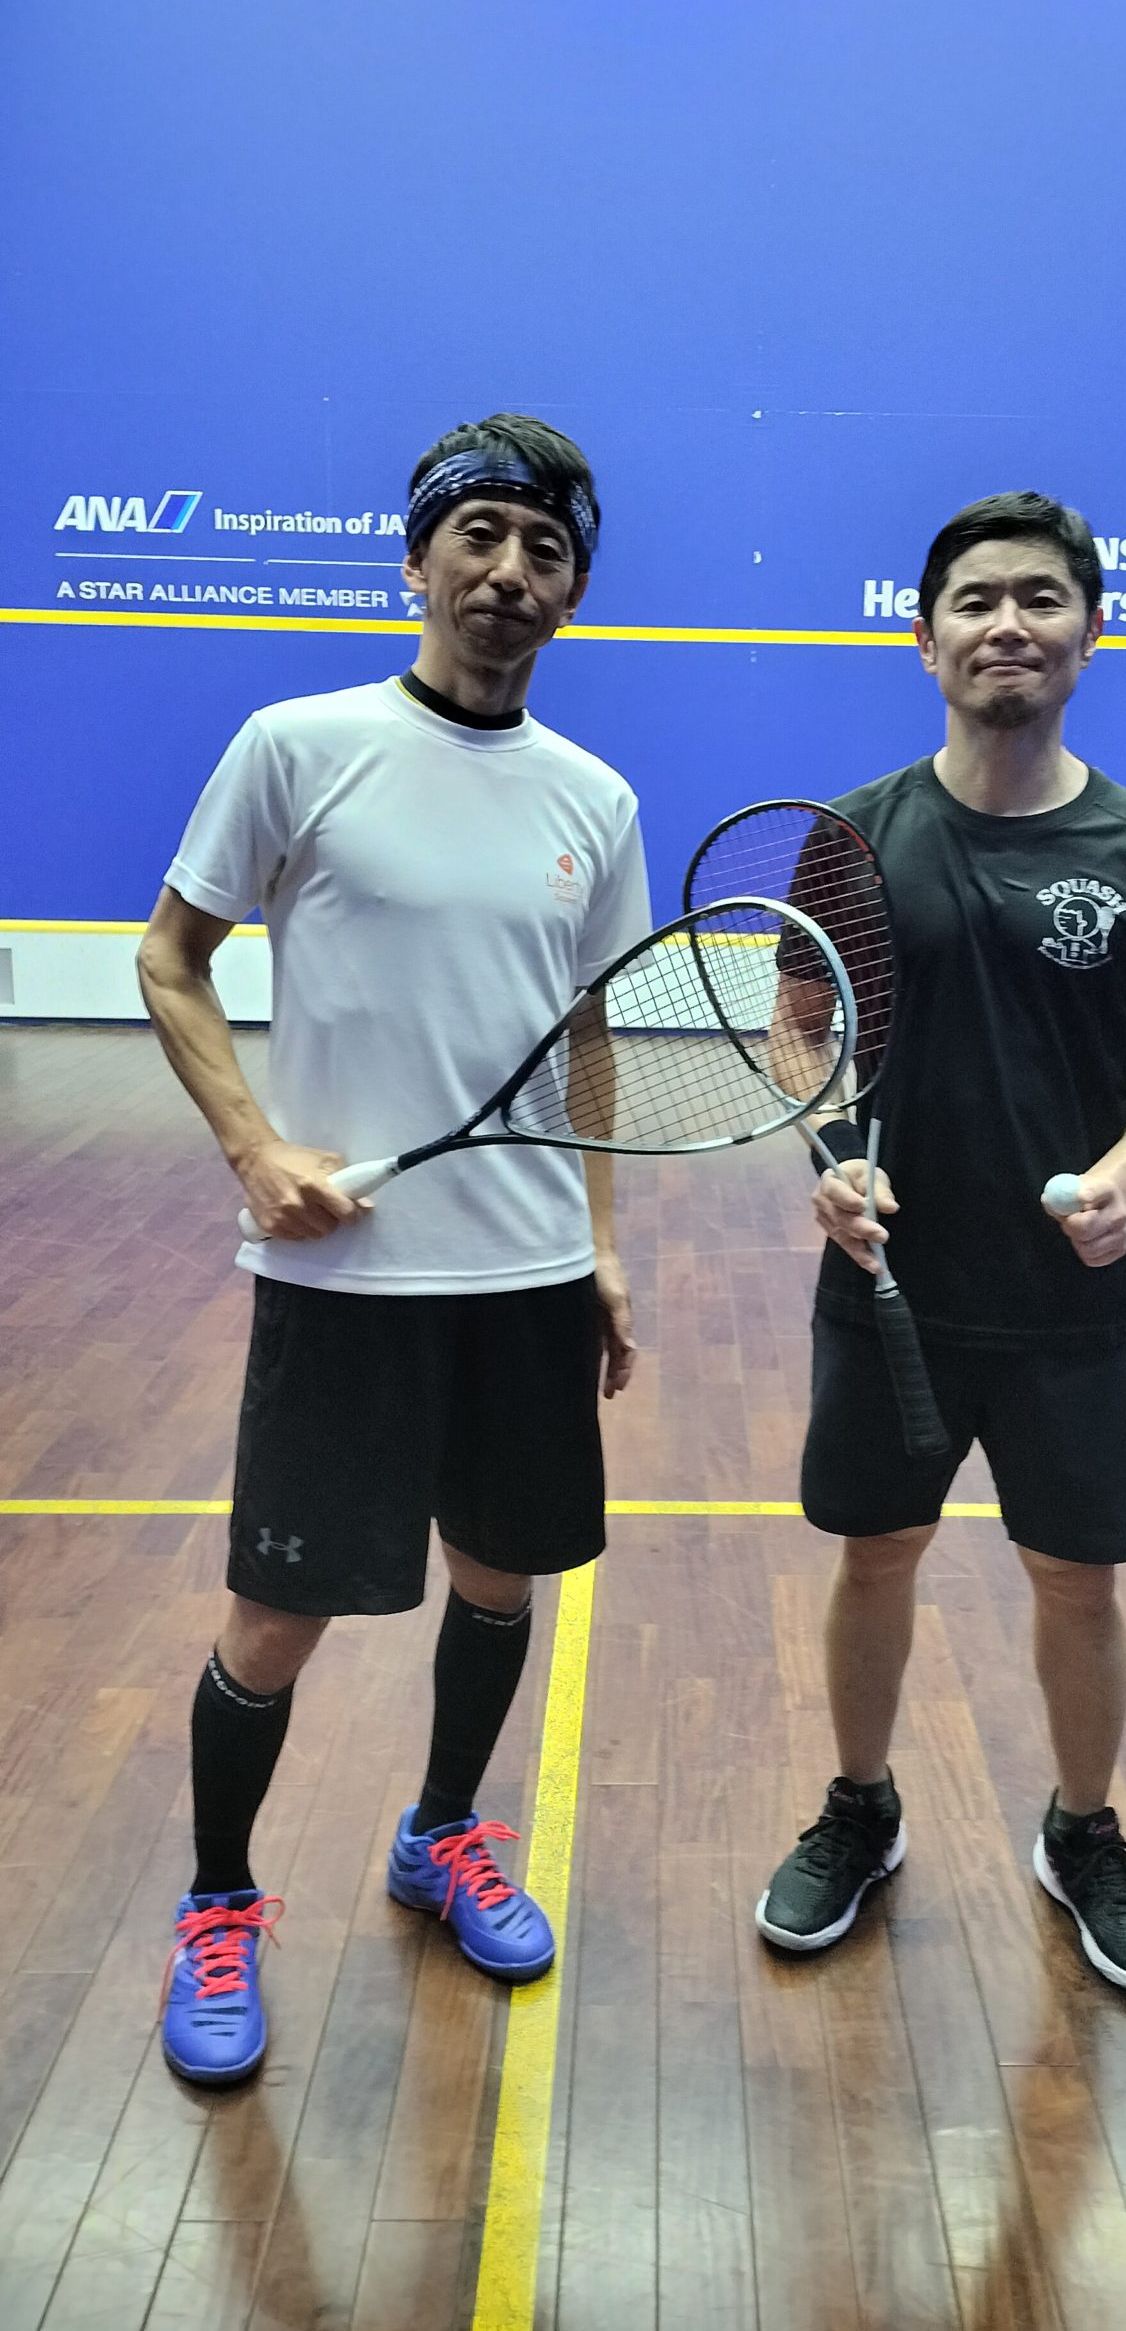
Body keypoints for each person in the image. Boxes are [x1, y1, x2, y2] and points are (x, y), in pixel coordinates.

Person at [138, 413, 650, 2085]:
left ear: (574, 591)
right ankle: (218, 1904)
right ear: (418, 556)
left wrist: (603, 1243)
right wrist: (254, 1147)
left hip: (525, 1277)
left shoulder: (595, 798)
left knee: (501, 1581)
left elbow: (589, 1036)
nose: (508, 572)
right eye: (479, 535)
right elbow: (170, 957)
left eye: (545, 550)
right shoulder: (299, 744)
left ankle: (442, 1834)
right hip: (342, 1284)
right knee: (276, 1616)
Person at [755, 491, 1126, 1992]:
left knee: (1080, 1580)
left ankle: (1082, 1833)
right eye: (975, 601)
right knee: (877, 1556)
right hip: (890, 1287)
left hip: (1077, 1303)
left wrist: (1125, 1180)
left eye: (1040, 597)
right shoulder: (857, 836)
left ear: (1091, 633)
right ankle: (860, 1809)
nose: (1007, 624)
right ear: (926, 640)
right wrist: (830, 1155)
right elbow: (798, 1024)